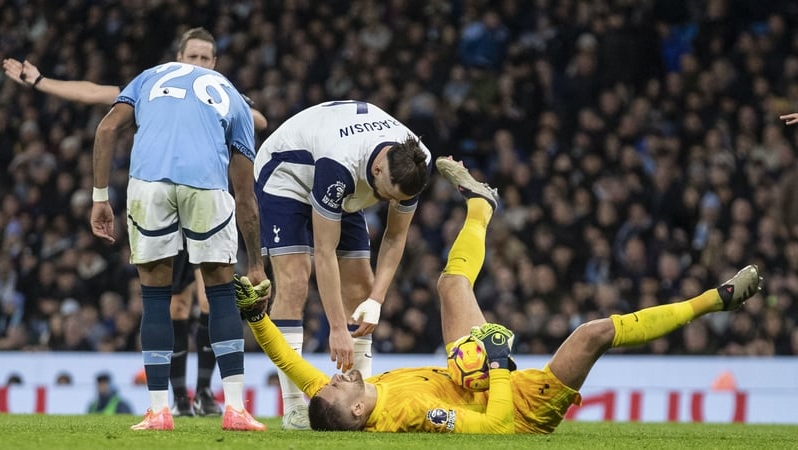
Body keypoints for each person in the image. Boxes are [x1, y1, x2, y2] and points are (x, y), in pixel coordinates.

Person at [236, 157, 764, 433]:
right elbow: (499, 427)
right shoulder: (416, 414)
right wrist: (500, 366)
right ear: (356, 413)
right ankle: (716, 299)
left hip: (466, 370)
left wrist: (257, 317)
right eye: (338, 388)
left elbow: (287, 359)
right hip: (519, 403)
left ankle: (481, 205)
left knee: (450, 283)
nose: (336, 377)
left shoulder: (342, 395)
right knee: (594, 332)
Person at [2, 27, 267, 417]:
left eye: (204, 58)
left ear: (214, 62)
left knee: (182, 296)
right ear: (180, 56)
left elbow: (107, 118)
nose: (197, 63)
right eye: (192, 57)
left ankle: (196, 395)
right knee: (192, 299)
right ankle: (190, 398)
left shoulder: (159, 80)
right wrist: (42, 82)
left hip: (152, 187)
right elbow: (95, 91)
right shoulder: (222, 91)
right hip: (203, 190)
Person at [90, 56, 268, 430]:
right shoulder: (233, 96)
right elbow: (246, 196)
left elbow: (107, 130)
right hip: (206, 184)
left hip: (148, 184)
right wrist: (255, 264)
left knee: (156, 296)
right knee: (219, 293)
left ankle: (159, 411)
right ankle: (234, 408)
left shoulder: (147, 77)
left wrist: (100, 198)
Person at [252, 100, 431, 429]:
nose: (391, 203)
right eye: (388, 195)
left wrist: (376, 299)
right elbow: (324, 251)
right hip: (287, 174)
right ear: (377, 170)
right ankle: (293, 409)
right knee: (294, 280)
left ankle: (360, 405)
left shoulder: (416, 164)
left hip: (348, 182)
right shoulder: (341, 164)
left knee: (361, 286)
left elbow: (394, 238)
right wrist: (336, 327)